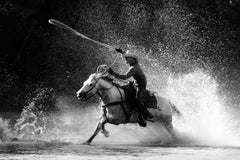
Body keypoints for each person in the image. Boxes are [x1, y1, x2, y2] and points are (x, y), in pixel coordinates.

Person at [108, 49, 154, 127]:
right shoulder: (134, 63)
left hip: (141, 85)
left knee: (138, 99)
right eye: (126, 58)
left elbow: (125, 77)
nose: (126, 60)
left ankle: (145, 115)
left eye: (127, 58)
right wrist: (121, 52)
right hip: (135, 84)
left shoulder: (133, 68)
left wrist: (113, 73)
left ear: (132, 59)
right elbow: (127, 56)